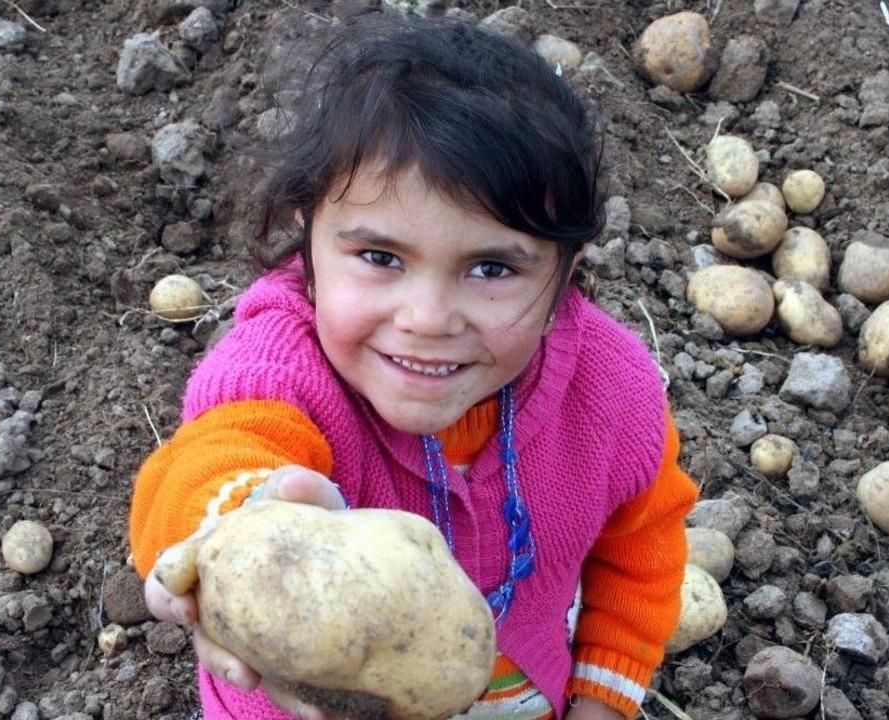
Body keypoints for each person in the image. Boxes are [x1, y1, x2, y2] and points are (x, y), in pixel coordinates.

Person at [130, 11, 698, 720]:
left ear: (566, 274)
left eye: (491, 268)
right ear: (307, 238)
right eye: (380, 258)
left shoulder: (611, 390)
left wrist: (601, 701)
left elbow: (641, 548)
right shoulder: (281, 370)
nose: (427, 319)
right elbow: (211, 459)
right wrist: (237, 527)